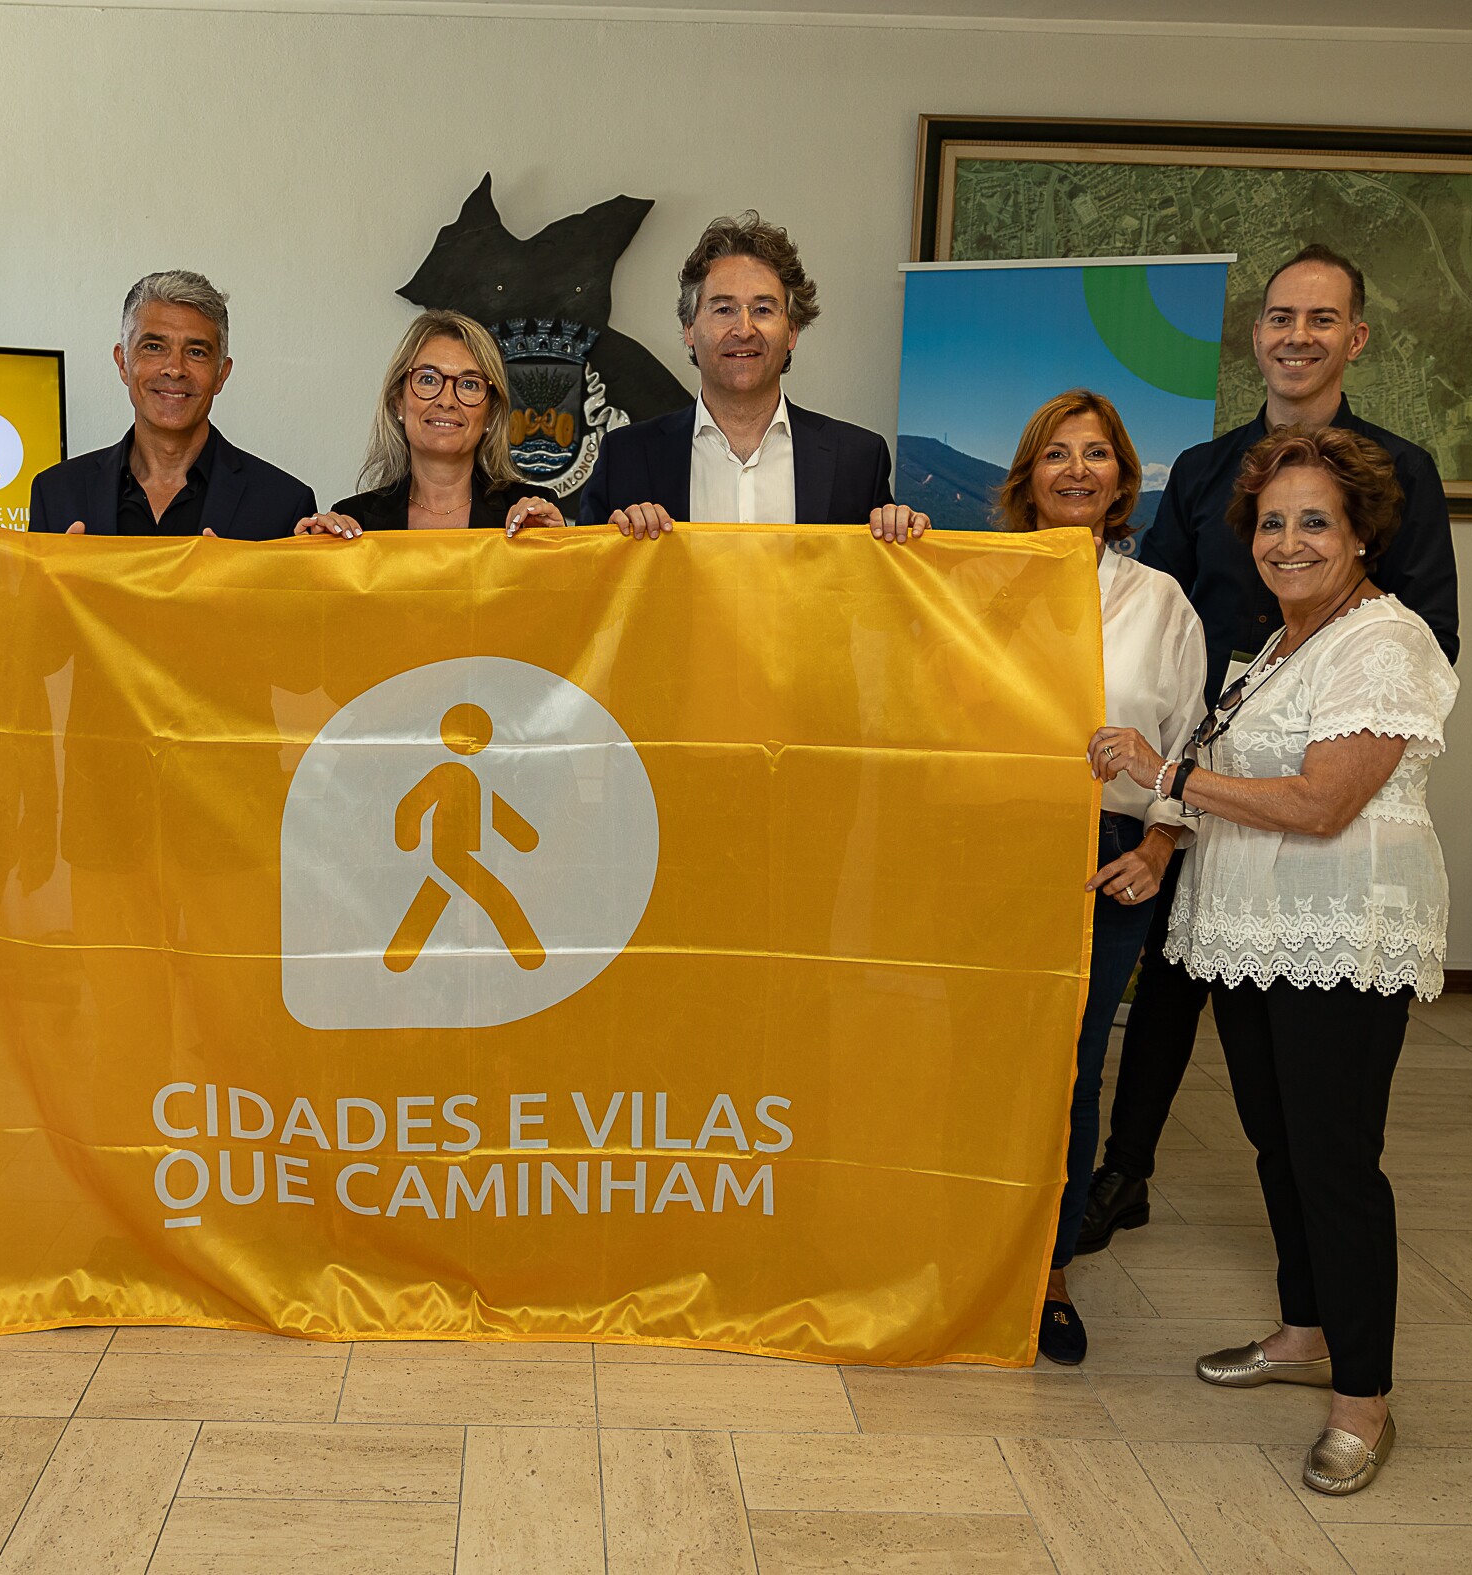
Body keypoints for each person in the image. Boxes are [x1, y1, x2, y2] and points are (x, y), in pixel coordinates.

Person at [1075, 243, 1462, 1259]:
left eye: (1321, 319)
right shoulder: (1205, 471)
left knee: (1303, 1063)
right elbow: (1157, 613)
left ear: (1356, 337)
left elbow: (1430, 633)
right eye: (1281, 318)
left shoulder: (1400, 472)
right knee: (1169, 977)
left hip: (1308, 773)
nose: (1298, 336)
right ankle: (1125, 1168)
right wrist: (1176, 770)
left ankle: (1320, 1264)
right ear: (1254, 336)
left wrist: (1309, 709)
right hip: (1196, 764)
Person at [1093, 422, 1457, 1496]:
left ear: (1361, 536)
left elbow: (1322, 802)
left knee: (1335, 1163)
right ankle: (1306, 1331)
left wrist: (1166, 777)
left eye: (1314, 523)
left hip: (1337, 937)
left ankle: (1364, 1399)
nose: (1287, 542)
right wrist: (1170, 819)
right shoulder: (1280, 646)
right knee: (1278, 1147)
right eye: (1270, 523)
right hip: (1253, 937)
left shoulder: (1384, 643)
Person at [879, 391, 1204, 1365]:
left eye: (1095, 454)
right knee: (966, 1058)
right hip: (988, 845)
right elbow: (921, 702)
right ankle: (950, 1255)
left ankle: (1046, 1271)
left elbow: (1192, 741)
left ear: (1121, 479)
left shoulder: (1161, 602)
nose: (1076, 470)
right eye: (1056, 453)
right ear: (1027, 477)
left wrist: (1160, 846)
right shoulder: (975, 585)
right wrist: (894, 550)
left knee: (1067, 1067)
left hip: (1107, 855)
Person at [576, 212, 926, 539]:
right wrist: (570, 540)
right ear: (689, 328)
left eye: (763, 309)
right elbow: (584, 574)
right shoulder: (625, 457)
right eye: (723, 309)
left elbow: (877, 580)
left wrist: (906, 540)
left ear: (792, 331)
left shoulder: (858, 459)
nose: (744, 330)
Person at [28, 270, 313, 540]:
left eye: (196, 352)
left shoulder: (284, 505)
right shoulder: (55, 494)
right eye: (154, 347)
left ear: (221, 374)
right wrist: (58, 575)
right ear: (123, 363)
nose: (175, 369)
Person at [294, 311, 564, 538]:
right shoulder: (355, 520)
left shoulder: (532, 519)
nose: (446, 401)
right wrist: (310, 563)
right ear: (398, 402)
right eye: (428, 379)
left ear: (490, 415)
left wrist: (558, 552)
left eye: (470, 384)